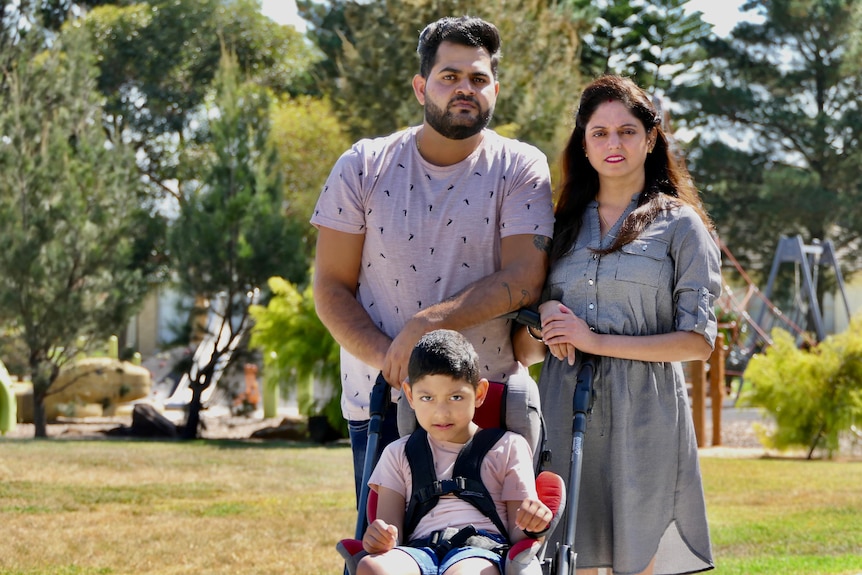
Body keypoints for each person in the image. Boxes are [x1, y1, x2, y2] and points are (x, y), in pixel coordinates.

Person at [311, 15, 554, 502]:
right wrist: (398, 365)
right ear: (422, 87)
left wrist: (424, 326)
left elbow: (526, 278)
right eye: (450, 77)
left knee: (488, 554)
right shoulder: (362, 165)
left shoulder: (521, 166)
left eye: (478, 79)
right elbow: (330, 289)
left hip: (488, 404)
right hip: (381, 403)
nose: (465, 88)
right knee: (385, 550)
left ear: (495, 90)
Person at [514, 75, 719, 575]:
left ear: (650, 139)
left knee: (638, 557)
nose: (614, 144)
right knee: (571, 555)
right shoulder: (558, 222)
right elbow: (524, 347)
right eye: (599, 132)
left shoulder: (680, 225)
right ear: (582, 144)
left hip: (646, 411)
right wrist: (544, 320)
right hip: (567, 404)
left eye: (627, 131)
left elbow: (698, 342)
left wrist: (595, 339)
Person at [358, 329, 552, 575]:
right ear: (409, 395)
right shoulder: (397, 453)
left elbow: (518, 534)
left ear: (479, 394)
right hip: (417, 551)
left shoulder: (508, 447)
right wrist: (379, 536)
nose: (441, 413)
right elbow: (389, 532)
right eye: (427, 397)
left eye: (456, 397)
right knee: (371, 566)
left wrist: (533, 524)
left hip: (480, 550)